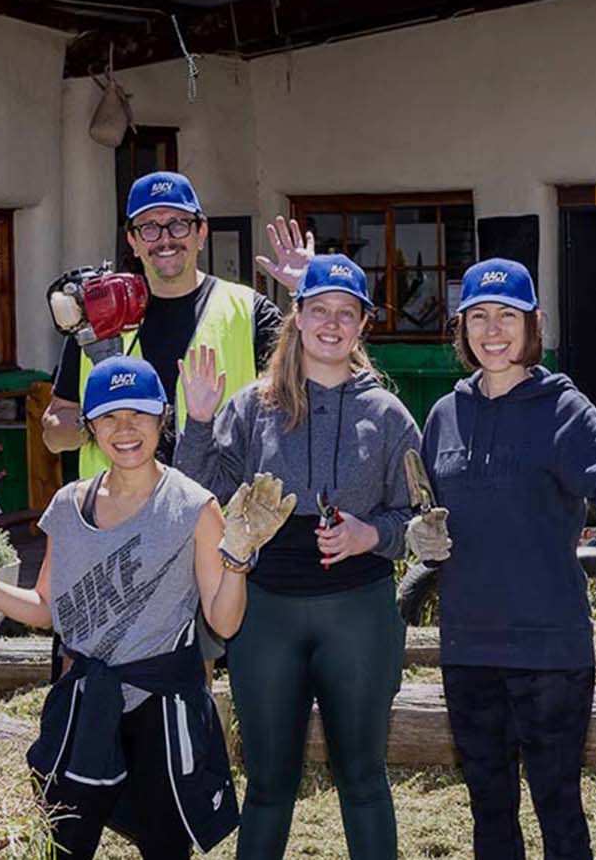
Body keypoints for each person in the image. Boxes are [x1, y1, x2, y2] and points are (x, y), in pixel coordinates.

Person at [0, 355, 294, 858]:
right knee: (62, 843)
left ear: (161, 419)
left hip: (162, 705)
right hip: (86, 702)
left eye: (139, 414)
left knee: (165, 847)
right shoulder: (67, 506)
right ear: (89, 426)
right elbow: (48, 609)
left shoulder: (193, 506)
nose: (125, 429)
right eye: (109, 416)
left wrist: (237, 562)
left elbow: (224, 621)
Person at [404, 258, 596, 860]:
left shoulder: (562, 409)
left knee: (558, 806)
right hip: (468, 648)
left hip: (548, 651)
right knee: (488, 809)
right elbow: (425, 510)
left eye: (507, 316)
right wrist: (420, 539)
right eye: (478, 316)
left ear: (533, 325)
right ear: (462, 328)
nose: (492, 330)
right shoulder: (446, 414)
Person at [175, 255, 420, 860]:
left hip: (358, 611)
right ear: (298, 318)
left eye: (346, 313)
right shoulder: (252, 407)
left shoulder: (387, 415)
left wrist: (374, 535)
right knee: (267, 786)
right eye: (319, 311)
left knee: (363, 780)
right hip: (266, 613)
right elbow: (193, 494)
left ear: (363, 324)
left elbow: (422, 519)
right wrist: (200, 421)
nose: (331, 324)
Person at [42, 171, 282, 476]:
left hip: (218, 513)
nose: (165, 239)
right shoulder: (100, 314)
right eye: (150, 228)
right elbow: (53, 435)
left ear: (201, 232)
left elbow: (309, 391)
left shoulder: (249, 312)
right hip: (118, 513)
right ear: (133, 240)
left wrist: (305, 291)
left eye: (179, 224)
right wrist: (98, 419)